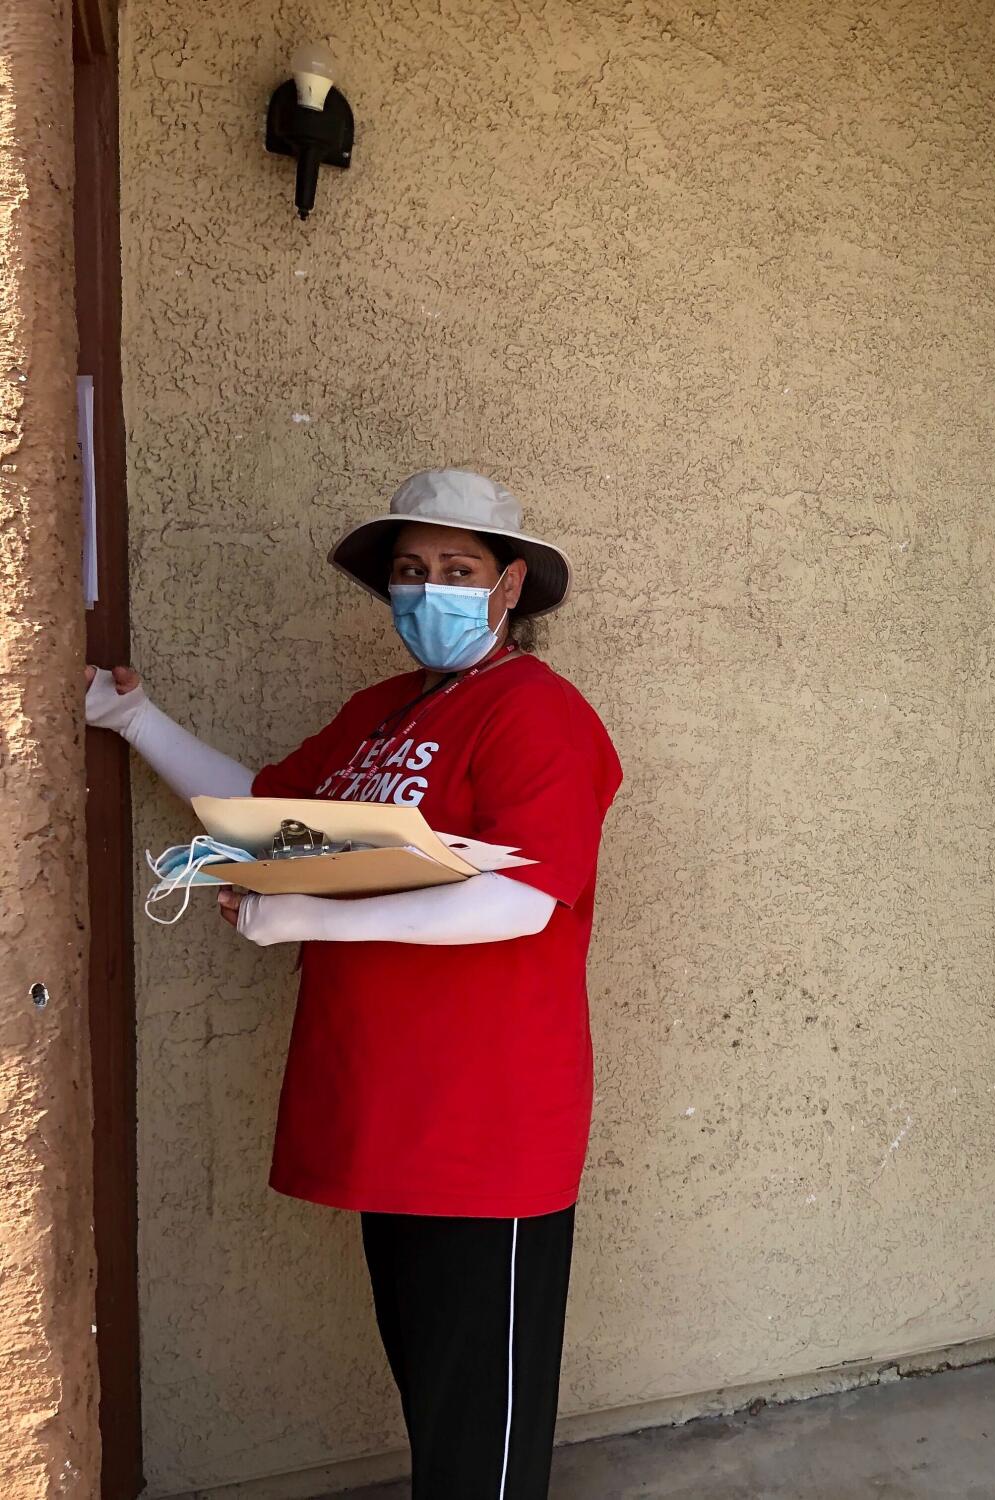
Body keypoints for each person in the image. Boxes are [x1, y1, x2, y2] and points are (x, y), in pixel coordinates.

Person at [87, 469, 621, 1497]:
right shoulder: (384, 712)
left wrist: (300, 914)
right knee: (434, 1399)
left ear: (509, 585)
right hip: (387, 1114)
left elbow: (523, 900)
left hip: (486, 1130)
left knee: (482, 1439)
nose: (429, 589)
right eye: (410, 571)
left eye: (456, 570)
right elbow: (264, 811)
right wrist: (132, 721)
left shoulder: (537, 713)